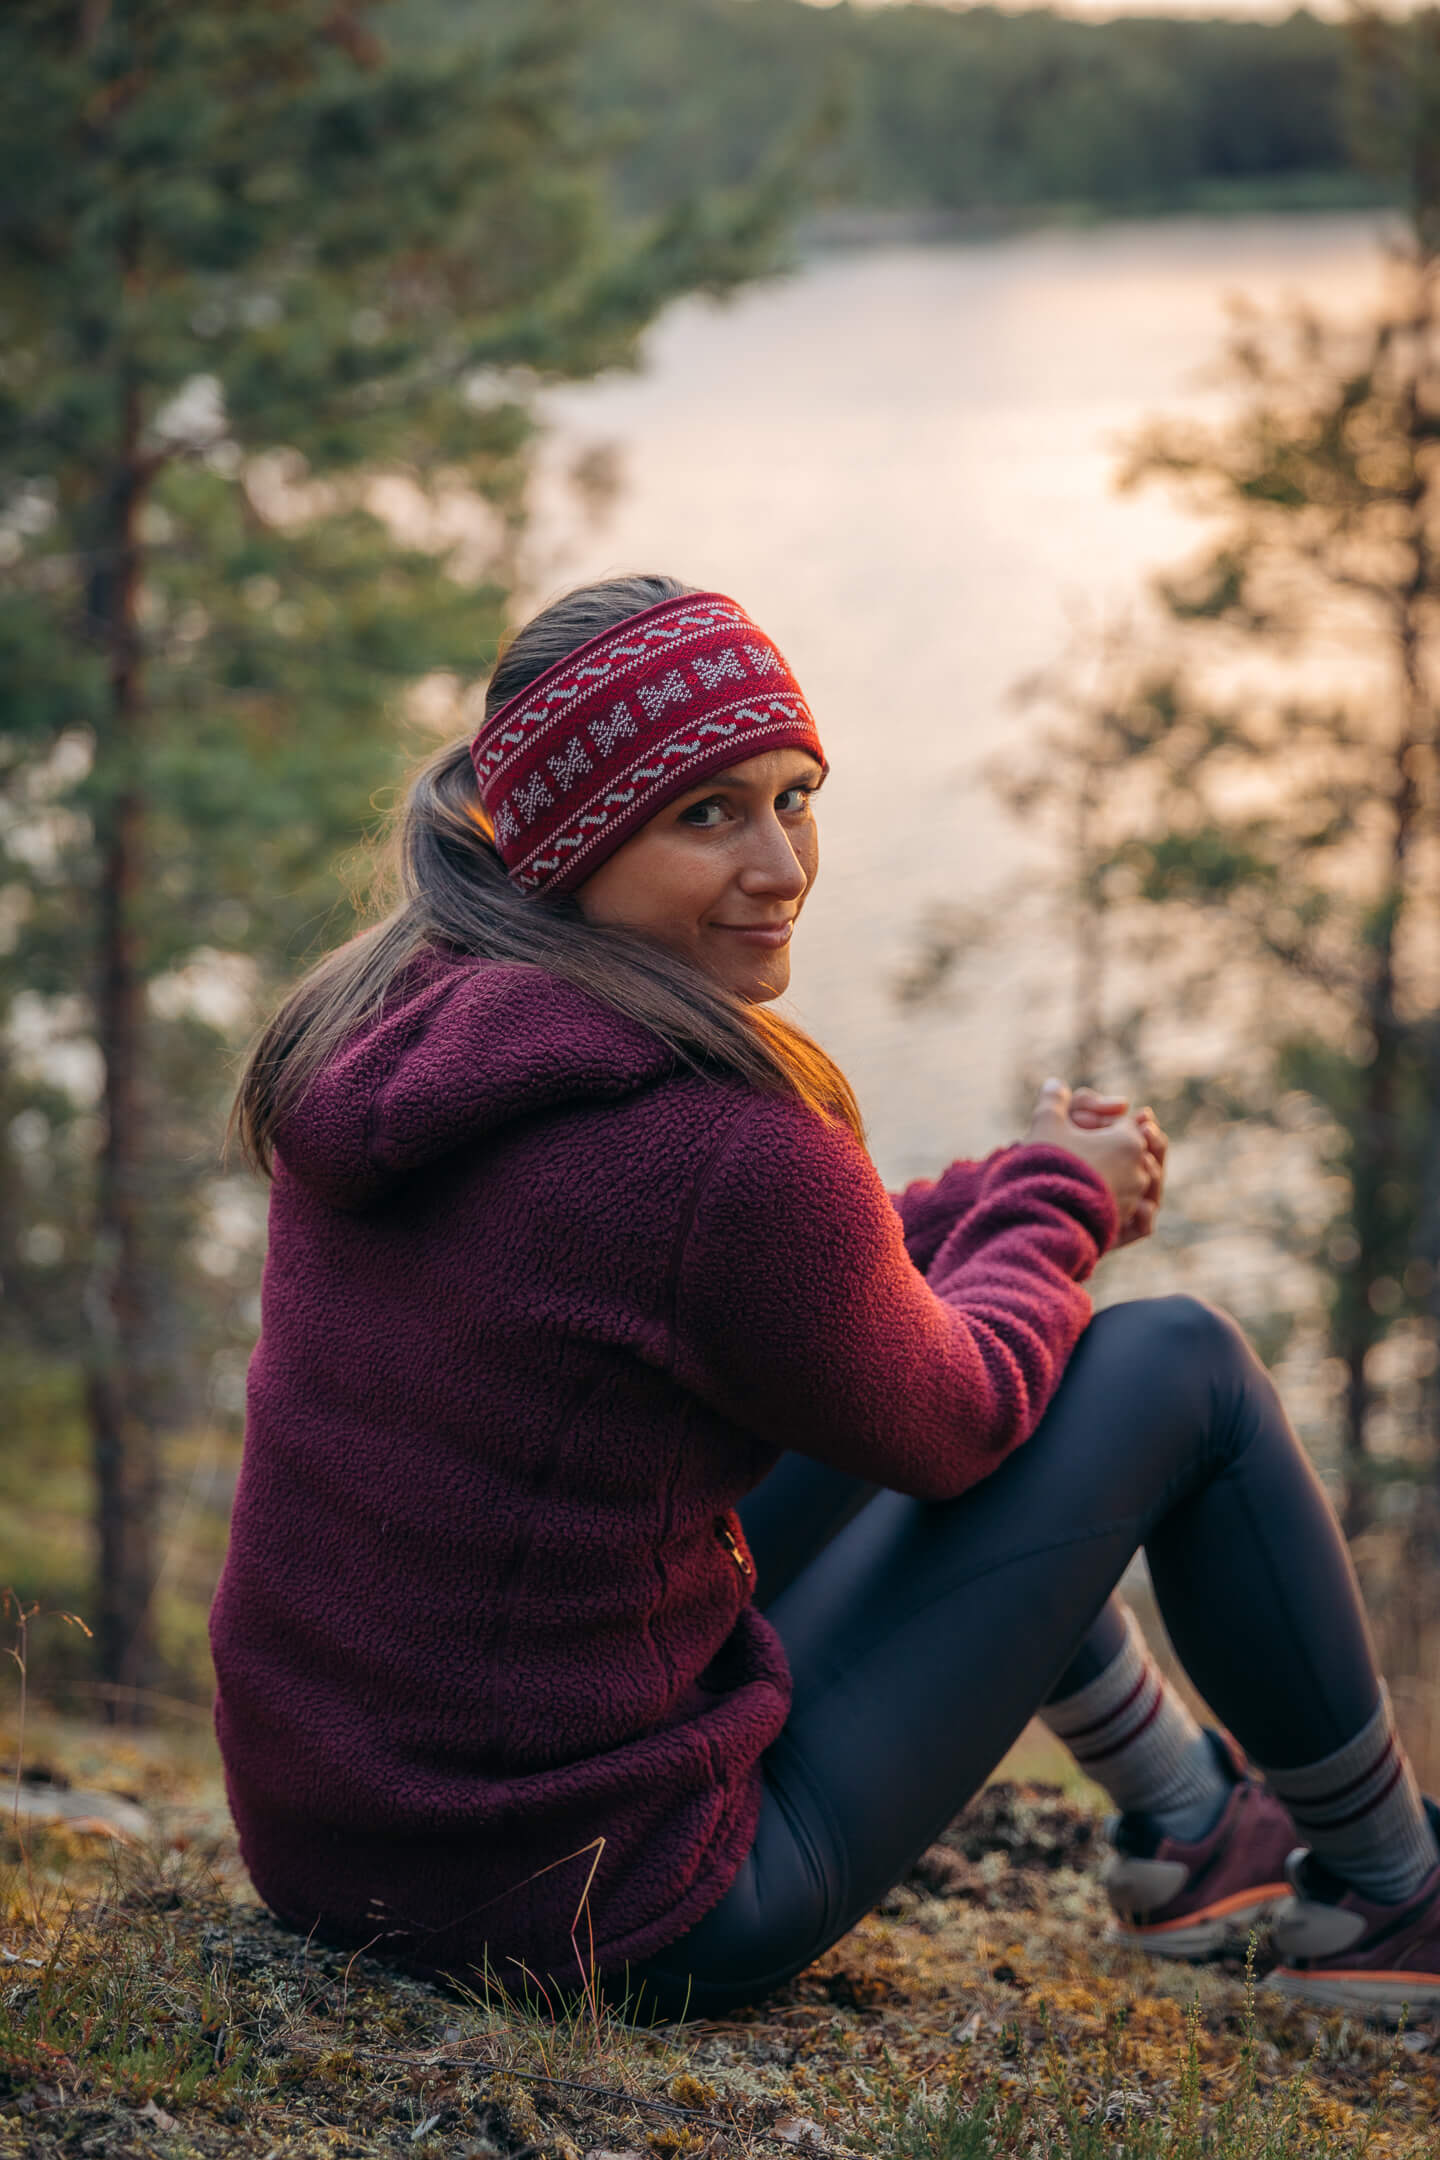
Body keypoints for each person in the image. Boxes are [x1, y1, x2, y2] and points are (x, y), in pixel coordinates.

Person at [212, 574, 1440, 2023]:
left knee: (917, 1369)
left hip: (343, 1848)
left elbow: (794, 1290)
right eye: (707, 814)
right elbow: (959, 1418)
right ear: (566, 841)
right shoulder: (713, 1147)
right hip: (617, 1908)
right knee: (1175, 1366)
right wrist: (1065, 1201)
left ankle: (1189, 1832)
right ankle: (1388, 1896)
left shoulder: (396, 1031)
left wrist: (1007, 1187)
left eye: (797, 796)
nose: (783, 865)